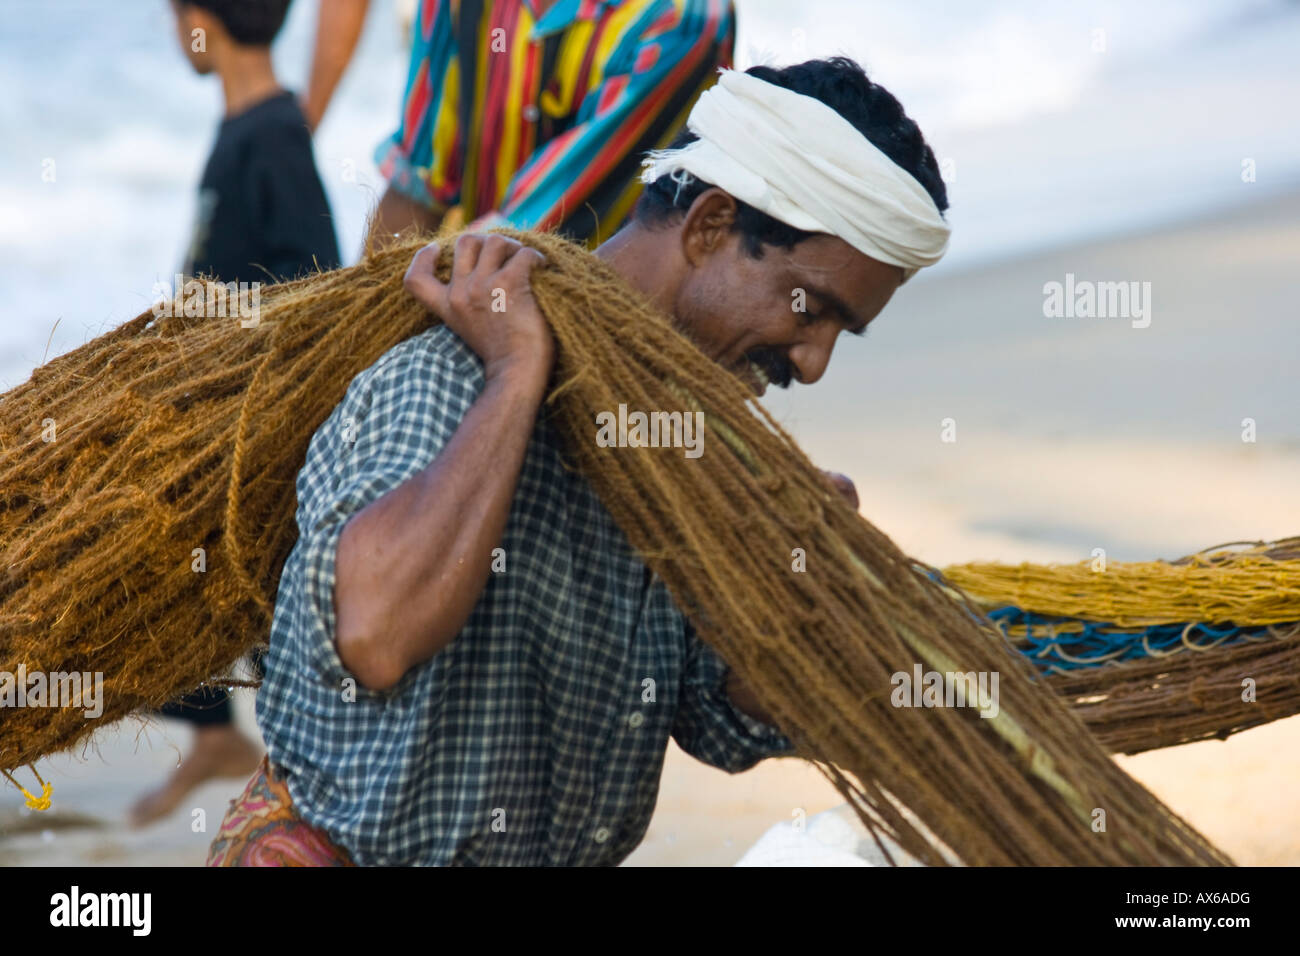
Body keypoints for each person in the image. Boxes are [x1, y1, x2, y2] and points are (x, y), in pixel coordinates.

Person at [206, 56, 951, 866]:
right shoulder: (453, 366)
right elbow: (377, 634)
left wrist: (799, 589)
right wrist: (516, 378)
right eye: (813, 310)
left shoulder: (691, 446)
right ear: (709, 225)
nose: (813, 364)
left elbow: (720, 719)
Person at [131, 0, 342, 828]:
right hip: (220, 416)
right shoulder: (247, 127)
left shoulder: (273, 136)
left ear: (200, 21)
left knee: (226, 583)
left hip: (249, 427)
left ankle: (270, 762)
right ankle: (216, 733)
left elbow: (314, 283)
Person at [368, 0, 738, 245]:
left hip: (611, 317)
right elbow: (417, 182)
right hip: (471, 273)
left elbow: (534, 232)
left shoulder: (685, 17)